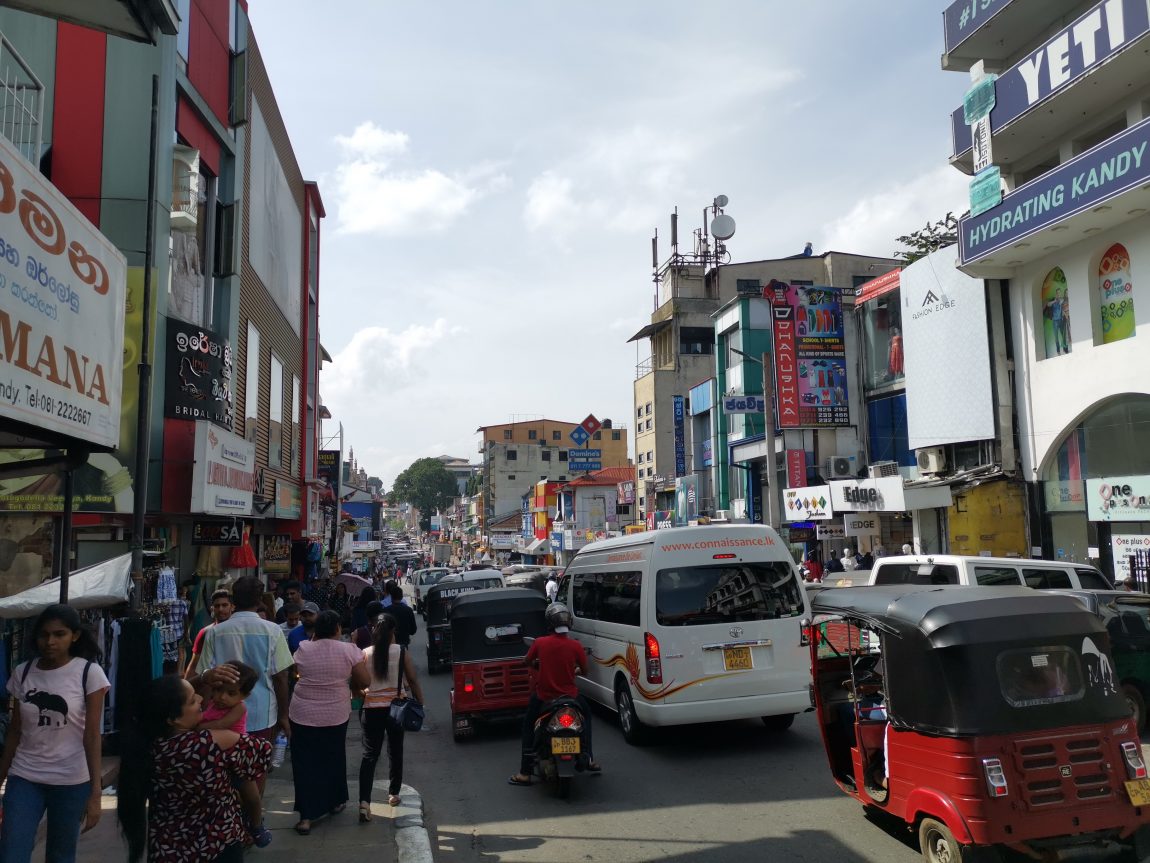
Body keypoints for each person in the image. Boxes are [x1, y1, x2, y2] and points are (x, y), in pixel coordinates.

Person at [117, 674, 272, 863]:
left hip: (167, 847)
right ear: (173, 719)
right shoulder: (212, 743)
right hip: (217, 844)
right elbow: (262, 751)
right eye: (192, 701)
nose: (200, 700)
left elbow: (162, 698)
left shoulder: (144, 747)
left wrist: (203, 678)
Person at [0, 605, 111, 863]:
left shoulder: (89, 673)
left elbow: (92, 735)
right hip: (25, 777)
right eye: (44, 635)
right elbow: (16, 731)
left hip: (71, 782)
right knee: (11, 852)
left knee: (61, 855)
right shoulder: (23, 672)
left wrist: (95, 793)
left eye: (59, 634)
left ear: (74, 636)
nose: (50, 641)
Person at [288, 610, 368, 835]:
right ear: (337, 629)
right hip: (334, 714)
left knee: (304, 764)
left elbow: (297, 671)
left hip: (301, 713)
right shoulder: (348, 650)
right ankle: (334, 801)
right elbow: (365, 680)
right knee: (332, 758)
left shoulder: (303, 647)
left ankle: (306, 817)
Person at [200, 576, 293, 764]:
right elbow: (281, 677)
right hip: (262, 714)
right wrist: (284, 715)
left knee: (223, 770)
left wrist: (202, 714)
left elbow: (204, 676)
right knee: (255, 771)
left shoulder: (215, 632)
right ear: (259, 601)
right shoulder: (273, 631)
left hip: (221, 714)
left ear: (233, 601)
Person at [509, 602, 599, 786]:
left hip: (544, 697)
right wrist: (572, 671)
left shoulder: (540, 643)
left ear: (549, 622)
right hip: (571, 697)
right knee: (586, 717)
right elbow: (585, 670)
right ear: (569, 623)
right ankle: (589, 758)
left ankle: (525, 772)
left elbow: (526, 661)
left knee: (528, 725)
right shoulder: (575, 646)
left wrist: (536, 665)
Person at [196, 661, 272, 848]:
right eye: (219, 690)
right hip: (214, 757)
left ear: (245, 695)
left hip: (237, 756)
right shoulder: (212, 702)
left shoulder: (239, 708)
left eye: (231, 693)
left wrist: (196, 728)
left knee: (251, 796)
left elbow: (221, 725)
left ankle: (256, 826)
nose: (222, 697)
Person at [358, 613, 424, 819]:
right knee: (395, 751)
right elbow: (412, 680)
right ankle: (393, 794)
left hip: (371, 709)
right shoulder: (401, 651)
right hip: (396, 709)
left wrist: (366, 694)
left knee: (370, 755)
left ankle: (364, 802)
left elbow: (359, 684)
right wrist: (420, 703)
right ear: (393, 631)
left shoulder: (365, 653)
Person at [184, 589, 233, 679]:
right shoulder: (205, 632)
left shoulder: (239, 631)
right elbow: (194, 664)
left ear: (232, 607)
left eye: (224, 605)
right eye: (217, 606)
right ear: (212, 608)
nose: (220, 609)